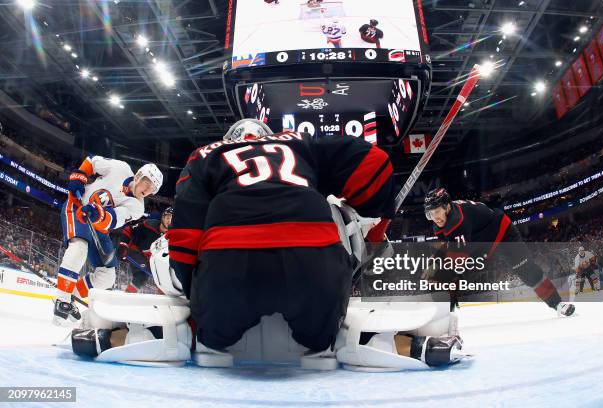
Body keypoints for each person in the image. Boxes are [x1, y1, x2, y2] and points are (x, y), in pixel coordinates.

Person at [168, 118, 397, 363]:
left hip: (229, 264)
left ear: (229, 139)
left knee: (211, 341)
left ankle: (198, 339)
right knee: (320, 341)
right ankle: (343, 340)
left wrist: (195, 297)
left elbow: (185, 233)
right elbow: (375, 161)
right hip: (313, 260)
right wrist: (372, 230)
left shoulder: (205, 153)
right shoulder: (299, 141)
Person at [423, 188, 575, 316]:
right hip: (482, 242)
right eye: (430, 214)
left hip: (502, 233)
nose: (434, 217)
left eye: (437, 211)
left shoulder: (456, 222)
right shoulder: (441, 222)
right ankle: (444, 314)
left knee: (525, 269)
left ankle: (557, 304)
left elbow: (457, 261)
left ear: (447, 207)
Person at [53, 156, 163, 326]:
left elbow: (114, 219)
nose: (148, 189)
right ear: (139, 175)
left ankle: (70, 295)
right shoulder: (120, 167)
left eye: (153, 189)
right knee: (79, 248)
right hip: (77, 208)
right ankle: (61, 300)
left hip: (97, 226)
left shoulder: (137, 207)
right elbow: (92, 160)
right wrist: (80, 175)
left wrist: (98, 214)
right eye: (147, 182)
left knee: (108, 275)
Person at [117, 207, 173, 293]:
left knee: (141, 278)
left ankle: (127, 297)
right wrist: (123, 244)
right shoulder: (148, 225)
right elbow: (129, 229)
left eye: (172, 219)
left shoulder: (172, 236)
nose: (169, 221)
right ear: (163, 218)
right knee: (160, 281)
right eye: (168, 218)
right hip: (135, 252)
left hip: (149, 260)